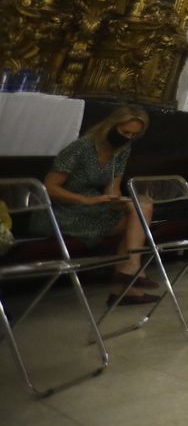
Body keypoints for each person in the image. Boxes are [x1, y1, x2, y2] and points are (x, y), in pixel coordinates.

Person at [41, 105, 156, 306]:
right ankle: (128, 281)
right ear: (112, 126)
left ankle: (130, 272)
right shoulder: (81, 148)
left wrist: (116, 199)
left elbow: (113, 187)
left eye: (133, 135)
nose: (128, 137)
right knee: (136, 220)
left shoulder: (121, 150)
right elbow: (49, 188)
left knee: (142, 207)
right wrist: (85, 200)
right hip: (65, 209)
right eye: (125, 132)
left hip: (94, 206)